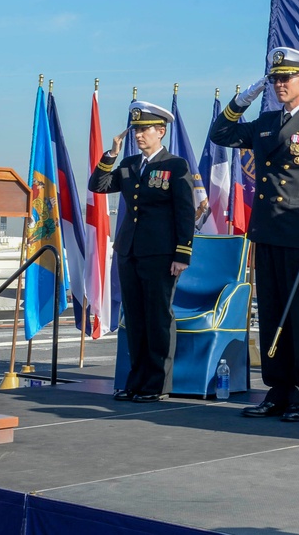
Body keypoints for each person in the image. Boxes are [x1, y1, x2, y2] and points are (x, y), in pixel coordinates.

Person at [210, 46, 299, 423]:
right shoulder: (265, 122)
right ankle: (276, 389)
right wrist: (243, 99)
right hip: (267, 230)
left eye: (286, 78)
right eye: (274, 79)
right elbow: (220, 132)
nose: (279, 83)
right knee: (270, 312)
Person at [88, 100, 196, 403]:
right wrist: (111, 154)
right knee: (134, 319)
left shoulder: (174, 166)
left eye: (145, 129)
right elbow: (98, 185)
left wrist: (182, 253)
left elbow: (184, 212)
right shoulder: (130, 165)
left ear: (160, 131)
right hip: (130, 250)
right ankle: (136, 381)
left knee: (157, 318)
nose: (138, 135)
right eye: (136, 129)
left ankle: (156, 384)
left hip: (161, 253)